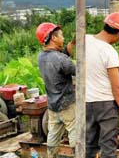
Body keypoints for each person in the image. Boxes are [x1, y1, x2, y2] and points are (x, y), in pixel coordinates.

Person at [85, 12, 119, 158]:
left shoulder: (85, 40)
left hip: (86, 103)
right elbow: (117, 86)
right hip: (105, 106)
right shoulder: (109, 51)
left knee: (89, 145)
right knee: (108, 148)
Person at [36, 22, 76, 158]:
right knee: (76, 136)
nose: (63, 38)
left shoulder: (41, 57)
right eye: (61, 36)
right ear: (53, 38)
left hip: (53, 105)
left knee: (53, 136)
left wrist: (73, 43)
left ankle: (51, 155)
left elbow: (63, 55)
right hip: (67, 105)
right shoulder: (61, 59)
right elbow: (78, 70)